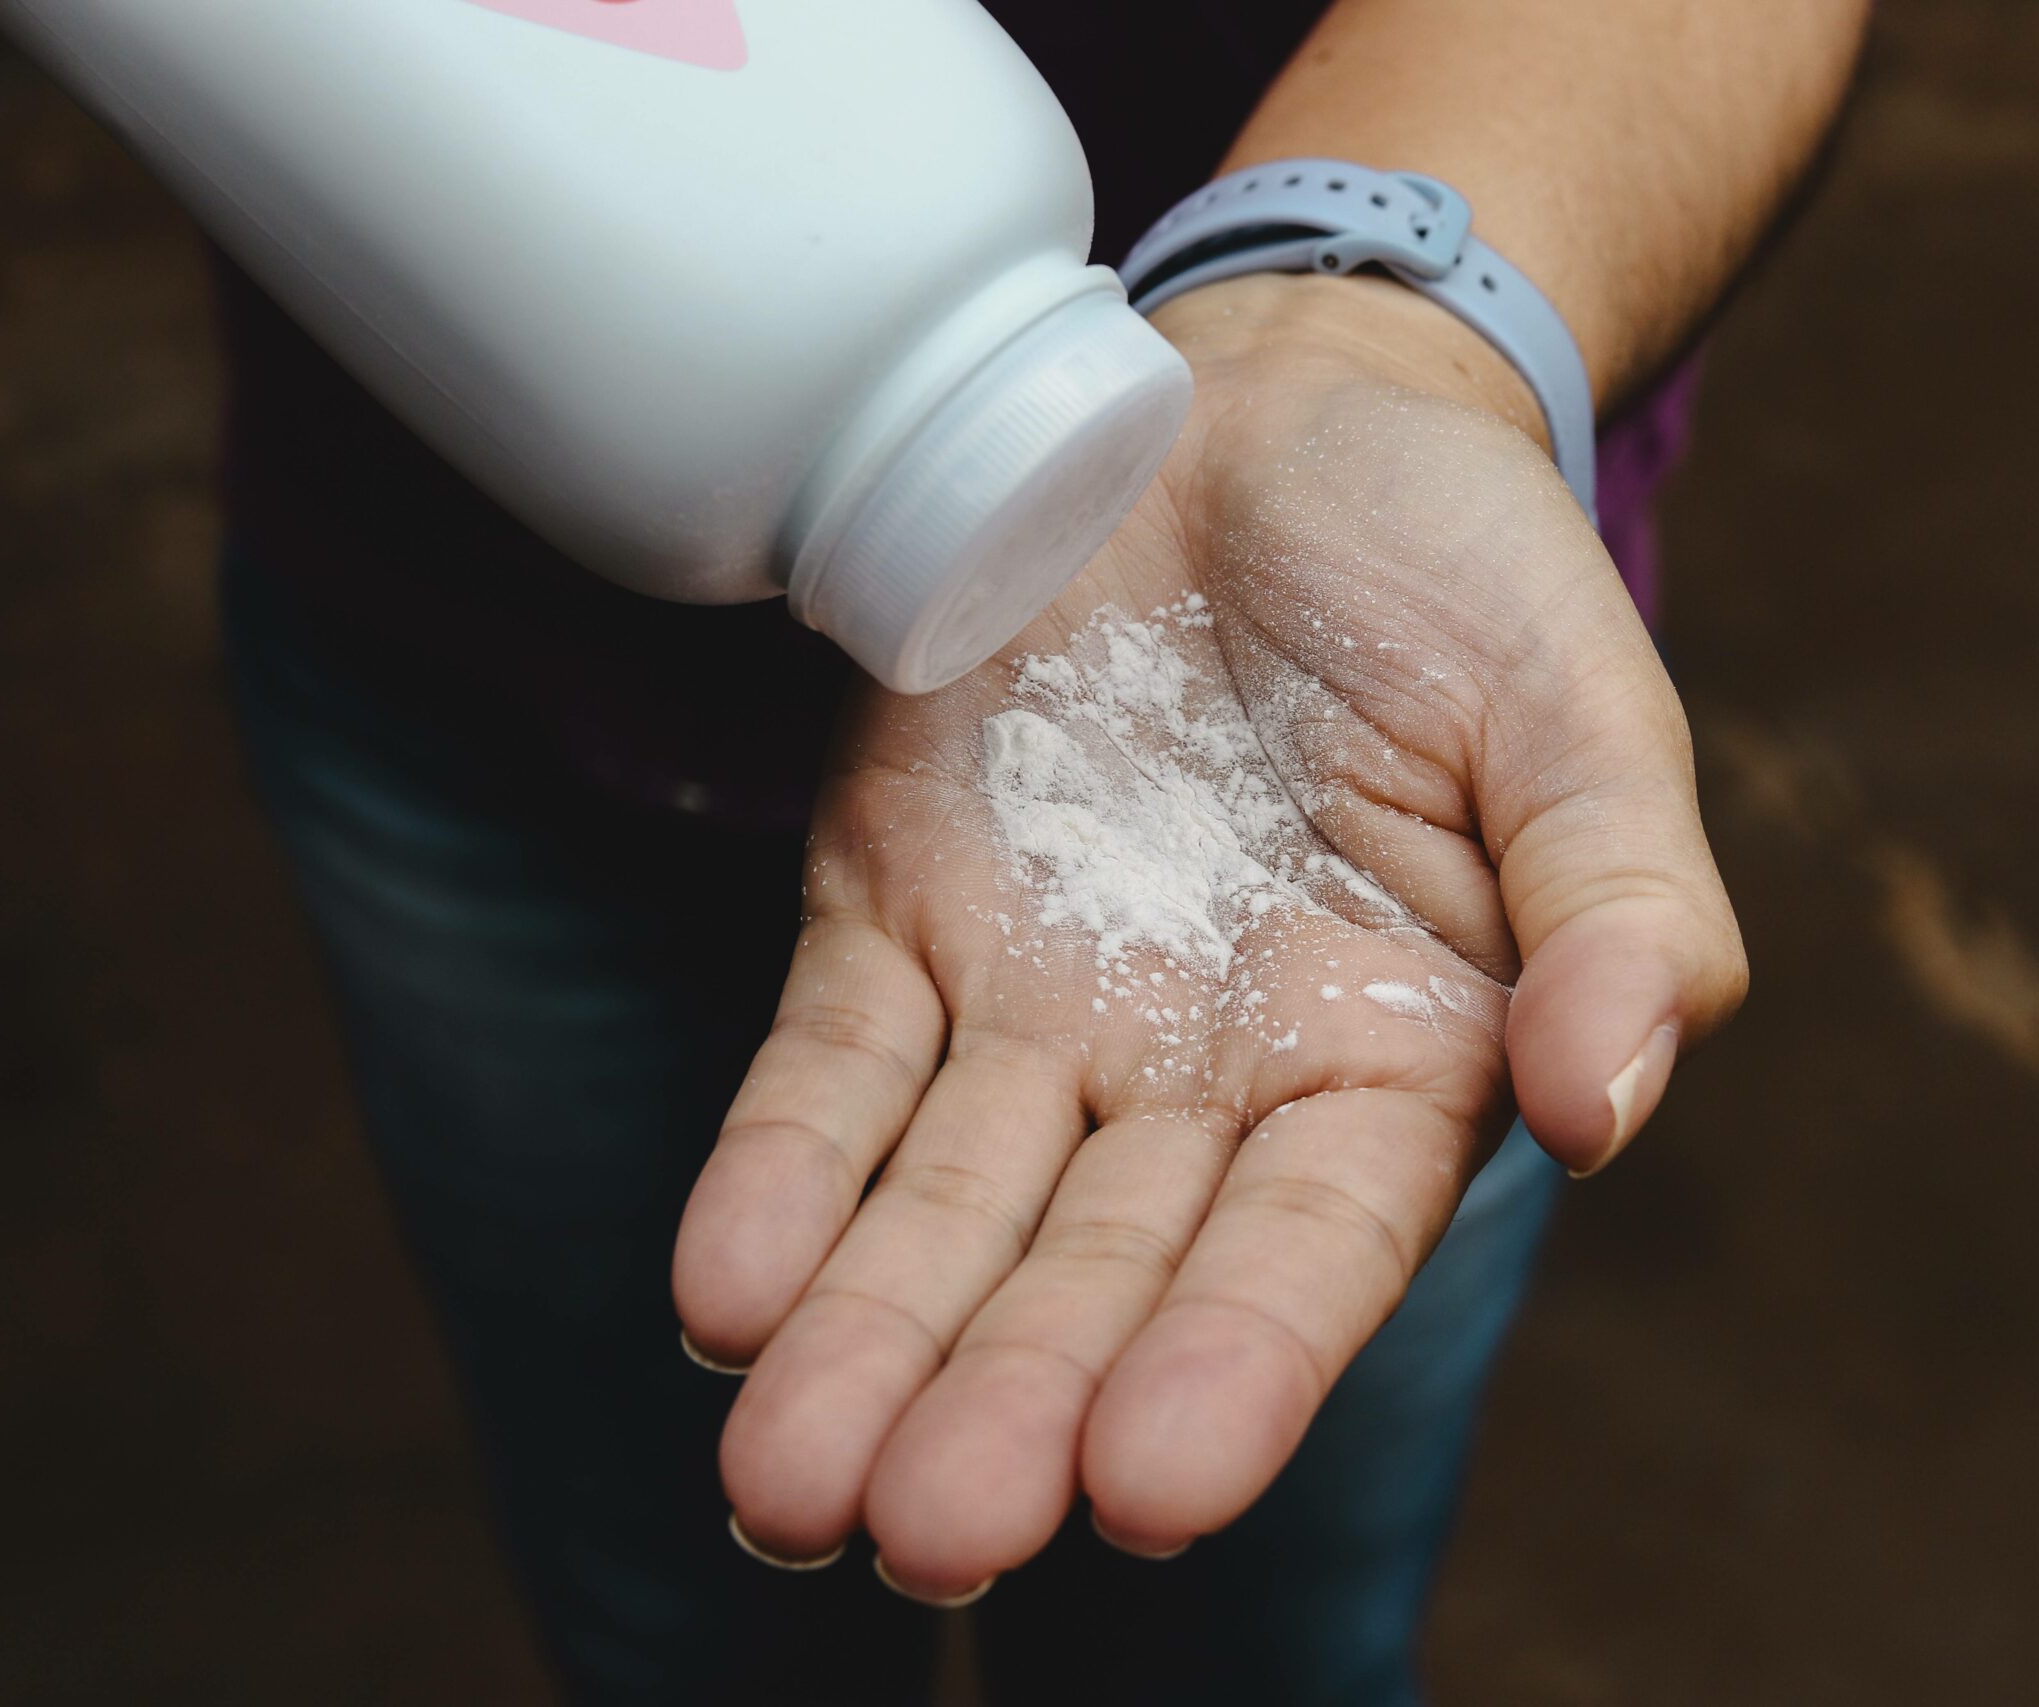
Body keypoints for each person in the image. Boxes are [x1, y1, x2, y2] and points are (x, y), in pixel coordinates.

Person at [216, 2, 1867, 1699]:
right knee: (670, 1619)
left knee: (1243, 1642)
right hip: (460, 659)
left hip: (1372, 772)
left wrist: (1355, 326)